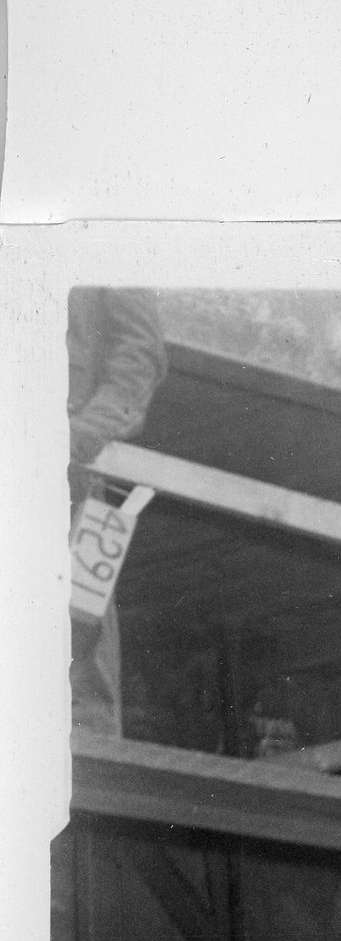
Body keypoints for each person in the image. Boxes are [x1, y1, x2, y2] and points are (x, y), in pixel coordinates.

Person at [67, 290, 166, 736]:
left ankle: (91, 765)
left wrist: (82, 434)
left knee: (83, 625)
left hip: (73, 470)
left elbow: (138, 352)